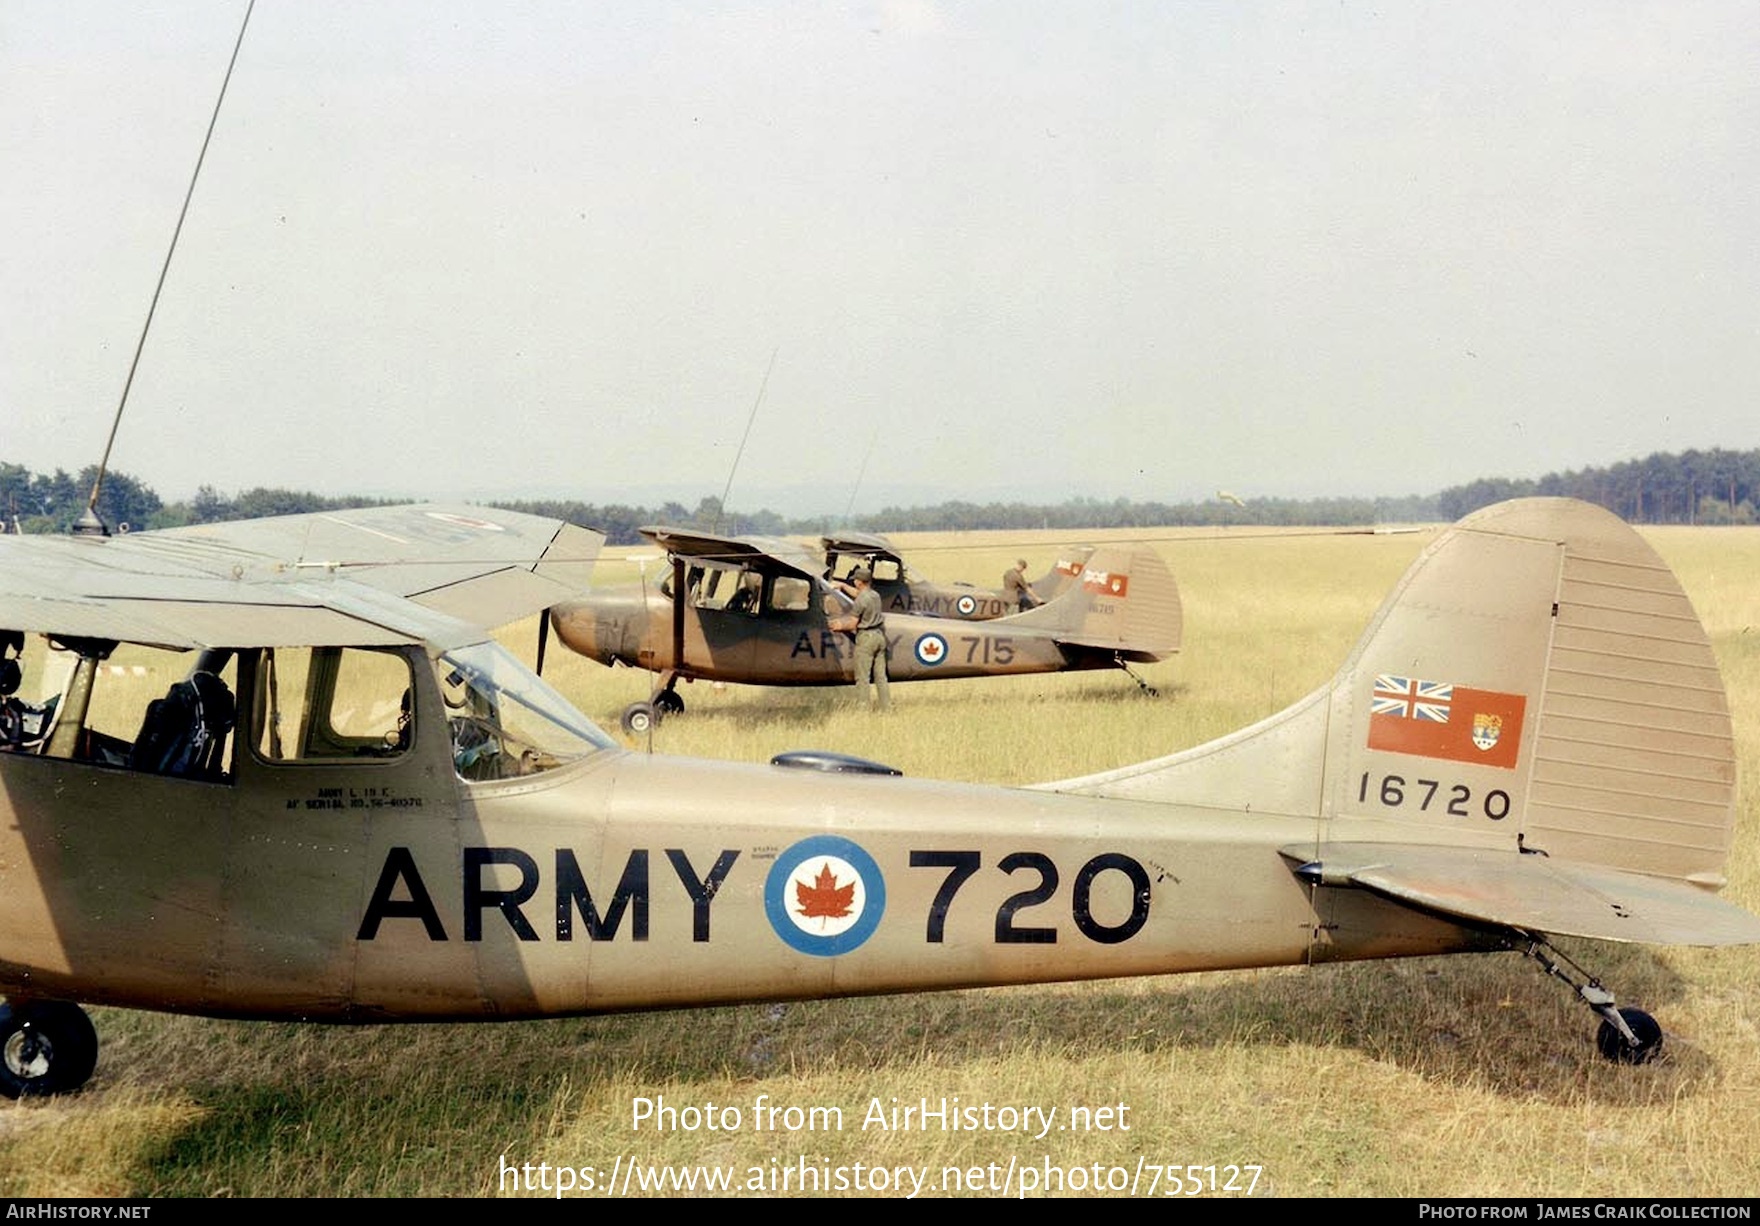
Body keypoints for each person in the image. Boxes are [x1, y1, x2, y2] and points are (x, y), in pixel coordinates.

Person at [829, 566, 890, 711]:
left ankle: (863, 710)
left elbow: (852, 624)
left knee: (863, 678)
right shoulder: (874, 595)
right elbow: (859, 595)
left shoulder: (861, 601)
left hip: (866, 639)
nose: (854, 582)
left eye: (855, 580)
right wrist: (843, 586)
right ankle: (887, 708)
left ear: (859, 582)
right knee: (881, 677)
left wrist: (839, 625)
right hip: (879, 637)